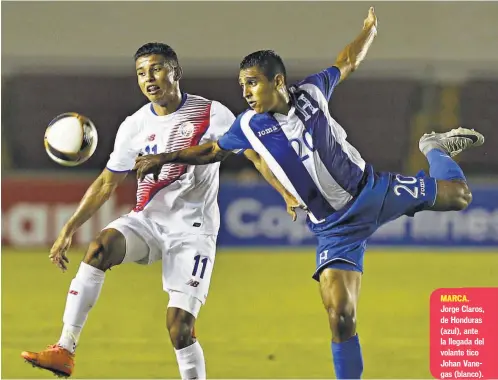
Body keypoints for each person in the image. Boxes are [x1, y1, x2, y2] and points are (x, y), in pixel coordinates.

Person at [133, 8, 485, 379]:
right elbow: (211, 151)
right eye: (242, 85)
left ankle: (433, 147)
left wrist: (369, 31)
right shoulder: (249, 126)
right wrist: (167, 157)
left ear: (278, 80)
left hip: (373, 191)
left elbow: (346, 62)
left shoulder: (313, 92)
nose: (246, 92)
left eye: (252, 83)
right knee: (341, 317)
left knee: (460, 196)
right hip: (335, 229)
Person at [21, 42, 241, 380]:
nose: (149, 79)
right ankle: (64, 349)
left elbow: (224, 152)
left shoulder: (212, 113)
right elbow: (106, 183)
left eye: (156, 69)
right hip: (148, 222)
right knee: (99, 247)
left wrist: (285, 189)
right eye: (141, 73)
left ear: (176, 72)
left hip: (193, 231)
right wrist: (68, 230)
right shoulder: (134, 125)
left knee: (179, 328)